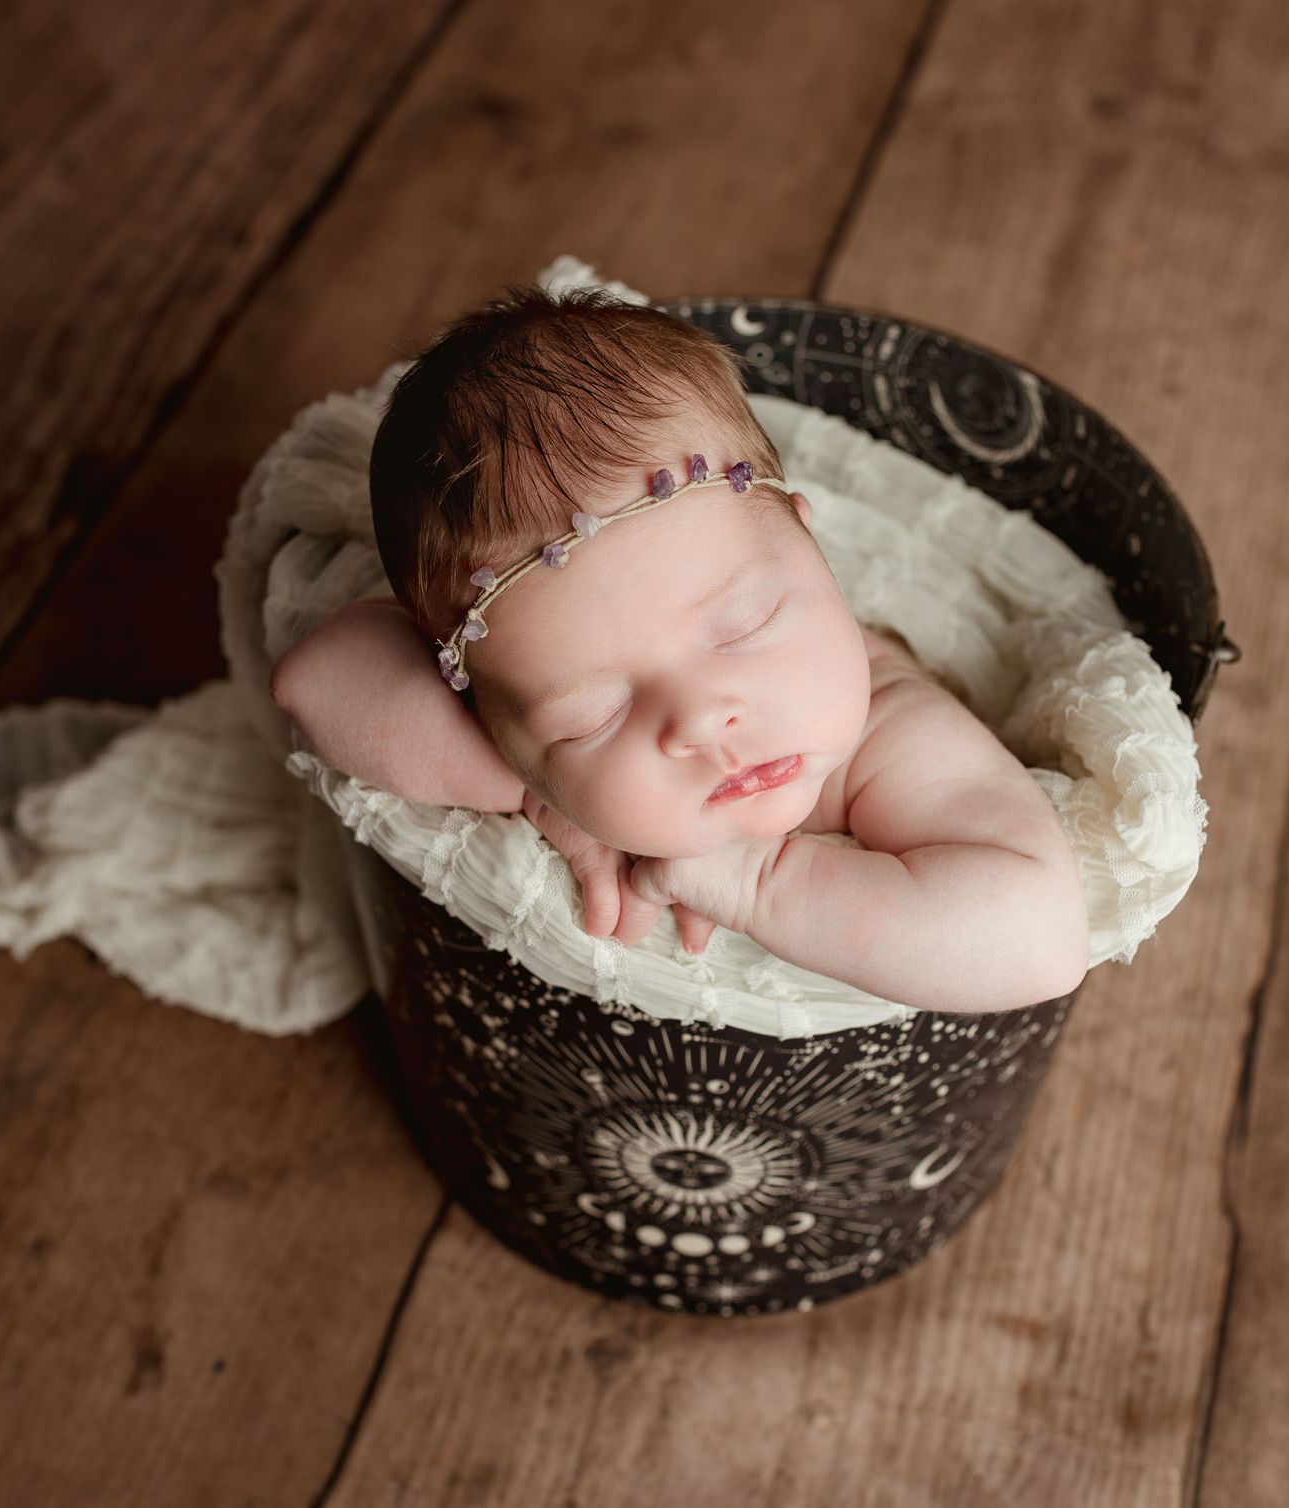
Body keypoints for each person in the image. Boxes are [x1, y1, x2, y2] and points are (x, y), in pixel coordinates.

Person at [269, 283, 1087, 1013]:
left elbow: (1039, 939)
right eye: (593, 713)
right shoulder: (533, 747)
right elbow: (315, 679)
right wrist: (540, 793)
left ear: (811, 541)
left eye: (745, 626)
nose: (701, 721)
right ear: (484, 705)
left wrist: (763, 882)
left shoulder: (887, 732)